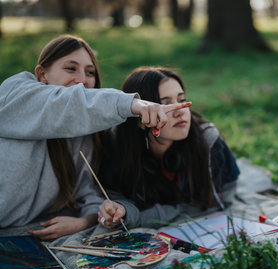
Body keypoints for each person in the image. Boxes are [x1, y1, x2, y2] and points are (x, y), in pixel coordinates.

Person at [0, 35, 188, 240]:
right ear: (42, 74)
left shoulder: (85, 133)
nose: (82, 80)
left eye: (89, 72)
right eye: (70, 68)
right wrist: (133, 105)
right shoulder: (14, 95)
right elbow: (66, 104)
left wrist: (86, 221)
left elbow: (87, 191)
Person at [98, 67, 240, 228]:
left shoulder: (209, 143)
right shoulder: (117, 144)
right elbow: (114, 196)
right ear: (139, 117)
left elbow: (221, 201)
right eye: (165, 105)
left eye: (181, 100)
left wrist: (139, 216)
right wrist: (119, 210)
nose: (180, 112)